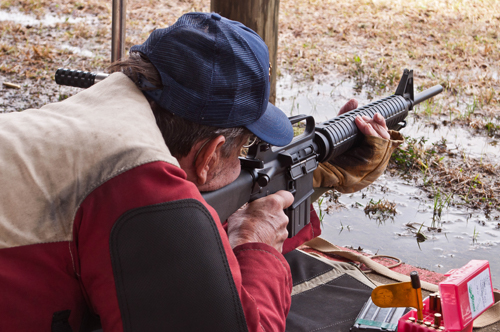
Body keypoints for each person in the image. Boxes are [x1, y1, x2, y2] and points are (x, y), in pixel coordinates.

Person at [0, 12, 402, 332]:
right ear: (210, 154)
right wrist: (256, 243)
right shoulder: (141, 181)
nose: (246, 159)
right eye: (243, 149)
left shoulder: (102, 108)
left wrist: (314, 176)